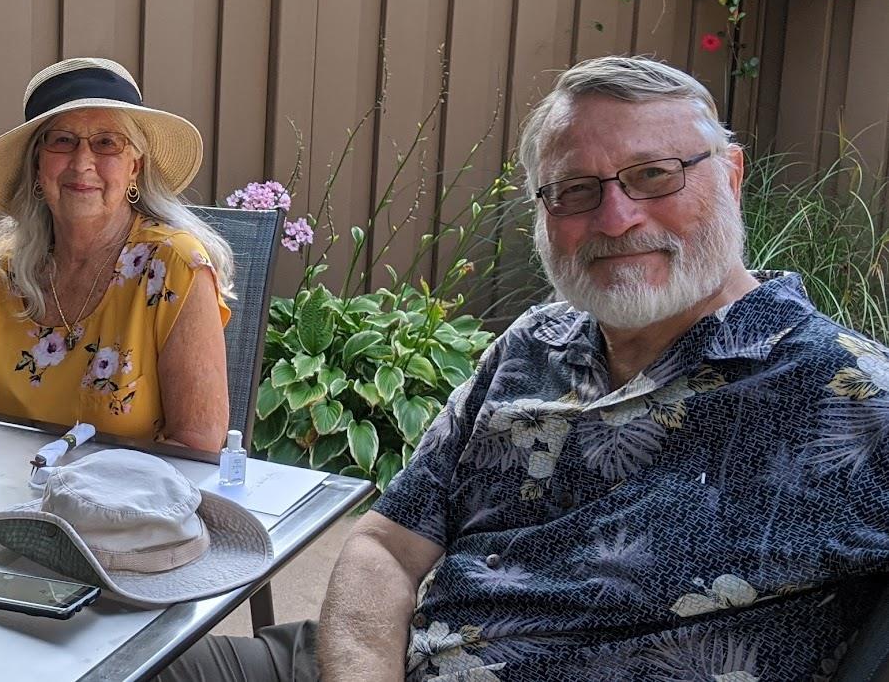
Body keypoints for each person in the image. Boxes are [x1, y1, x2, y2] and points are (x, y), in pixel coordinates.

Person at [161, 56, 889, 680]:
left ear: (729, 173)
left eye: (653, 175)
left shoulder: (849, 395)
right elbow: (386, 543)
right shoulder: (534, 342)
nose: (616, 218)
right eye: (576, 190)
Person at [0, 57, 233, 451]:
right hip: (6, 503)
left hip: (133, 506)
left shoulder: (175, 269)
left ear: (135, 166)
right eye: (61, 140)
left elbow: (197, 447)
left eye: (106, 143)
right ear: (37, 165)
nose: (82, 164)